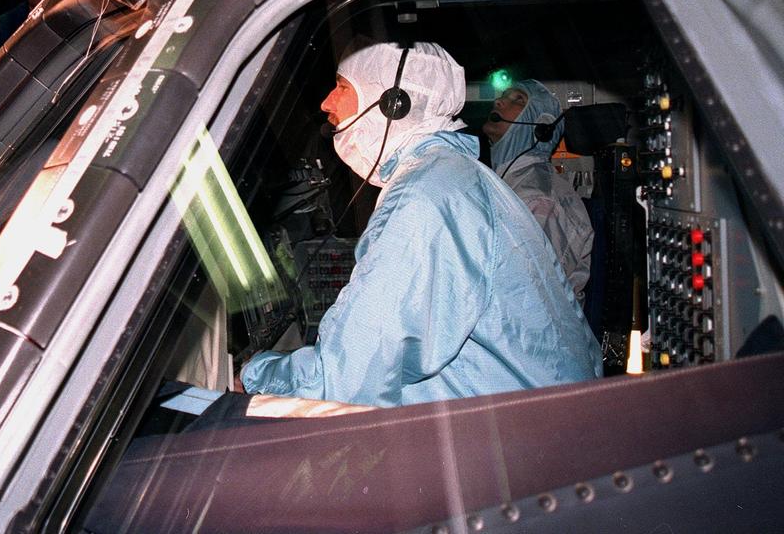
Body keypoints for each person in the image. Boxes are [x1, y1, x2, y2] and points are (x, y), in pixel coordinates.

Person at [240, 42, 600, 407]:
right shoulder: (451, 175)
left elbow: (345, 378)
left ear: (392, 104)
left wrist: (254, 374)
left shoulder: (425, 194)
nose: (326, 103)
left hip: (520, 425)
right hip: (537, 412)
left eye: (342, 87)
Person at [483, 80, 595, 303]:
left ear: (541, 128)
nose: (499, 101)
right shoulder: (506, 182)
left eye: (518, 99)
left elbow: (525, 291)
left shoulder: (539, 197)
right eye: (504, 96)